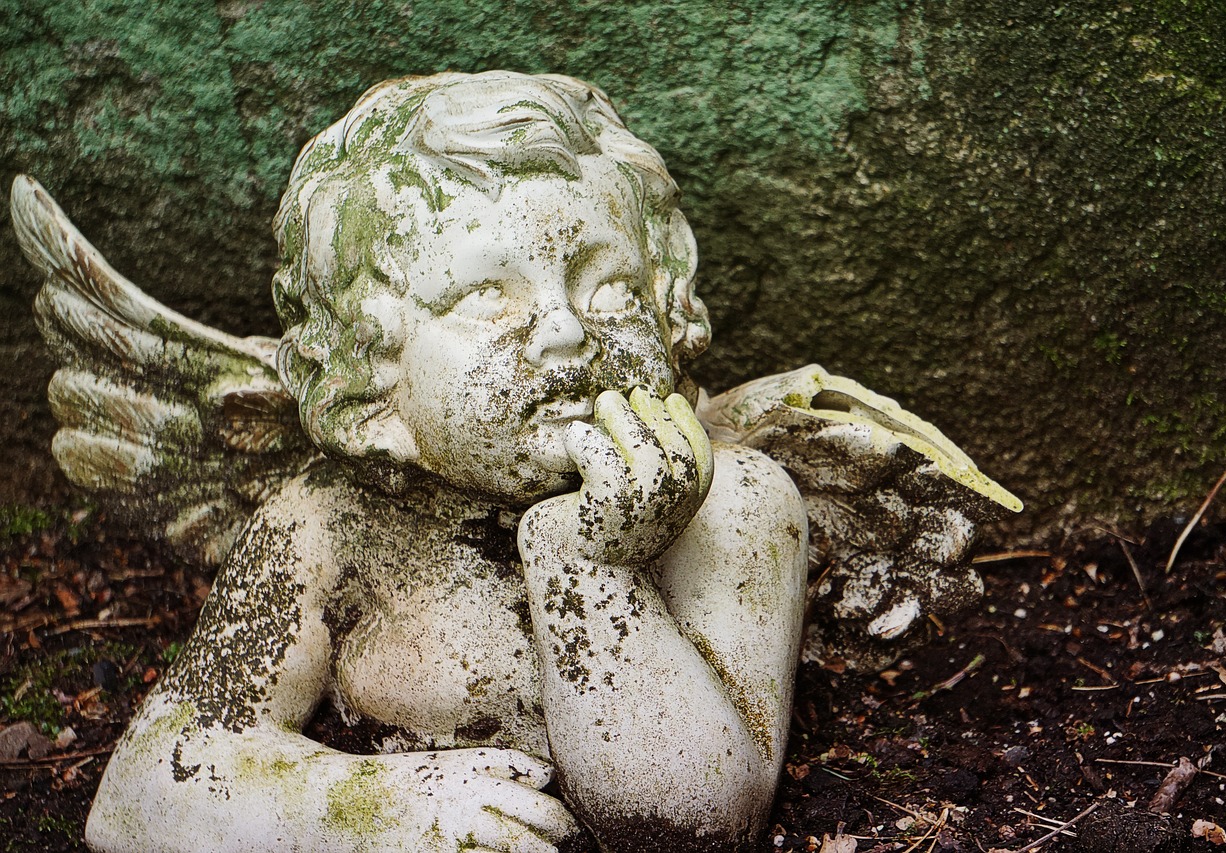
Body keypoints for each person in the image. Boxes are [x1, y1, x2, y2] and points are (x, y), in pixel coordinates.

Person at [81, 71, 809, 853]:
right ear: (374, 364)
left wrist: (590, 564)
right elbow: (144, 790)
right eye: (489, 297)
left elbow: (694, 820)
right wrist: (374, 811)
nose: (566, 332)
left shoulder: (732, 504)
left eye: (611, 289)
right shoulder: (332, 519)